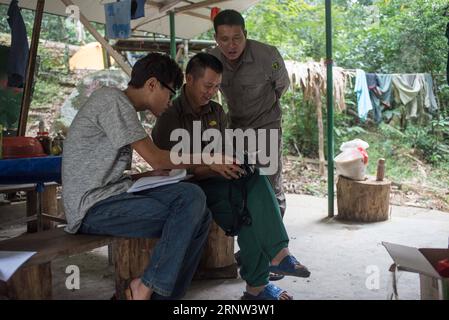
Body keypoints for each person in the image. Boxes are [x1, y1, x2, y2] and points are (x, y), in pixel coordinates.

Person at [62, 52, 242, 300]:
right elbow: (156, 156)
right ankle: (146, 286)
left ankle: (156, 293)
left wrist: (145, 176)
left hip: (112, 195)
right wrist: (208, 158)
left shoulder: (120, 105)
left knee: (196, 206)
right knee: (191, 208)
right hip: (91, 208)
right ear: (152, 84)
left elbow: (114, 170)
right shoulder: (112, 101)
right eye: (170, 93)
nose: (170, 102)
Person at [152, 53, 310, 300]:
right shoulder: (170, 116)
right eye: (208, 86)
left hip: (218, 179)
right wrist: (211, 166)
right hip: (189, 188)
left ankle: (278, 258)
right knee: (248, 210)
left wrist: (237, 160)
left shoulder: (216, 110)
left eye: (217, 87)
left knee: (256, 178)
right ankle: (260, 283)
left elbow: (225, 149)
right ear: (189, 79)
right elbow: (170, 169)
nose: (212, 92)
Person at [210, 9, 290, 218]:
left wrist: (264, 109)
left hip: (266, 124)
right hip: (235, 126)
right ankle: (250, 241)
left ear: (245, 33)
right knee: (240, 181)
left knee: (269, 182)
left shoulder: (268, 56)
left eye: (237, 38)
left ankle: (275, 245)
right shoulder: (212, 59)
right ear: (216, 39)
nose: (231, 45)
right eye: (224, 39)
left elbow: (282, 86)